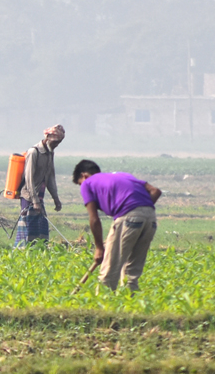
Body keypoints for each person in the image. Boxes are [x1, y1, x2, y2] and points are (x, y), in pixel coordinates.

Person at [74, 160, 161, 291]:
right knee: (132, 272)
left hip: (128, 217)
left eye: (79, 183)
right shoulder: (123, 175)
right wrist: (141, 210)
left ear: (84, 175)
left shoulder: (87, 183)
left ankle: (102, 306)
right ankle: (129, 304)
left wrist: (98, 248)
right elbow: (155, 191)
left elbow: (94, 219)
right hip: (151, 219)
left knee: (109, 270)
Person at [15, 124, 65, 247]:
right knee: (28, 228)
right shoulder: (34, 152)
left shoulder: (50, 153)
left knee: (41, 228)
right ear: (48, 138)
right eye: (55, 142)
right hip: (29, 196)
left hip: (40, 196)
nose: (56, 145)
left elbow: (51, 177)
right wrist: (35, 200)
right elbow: (29, 178)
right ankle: (23, 252)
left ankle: (39, 252)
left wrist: (56, 198)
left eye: (58, 143)